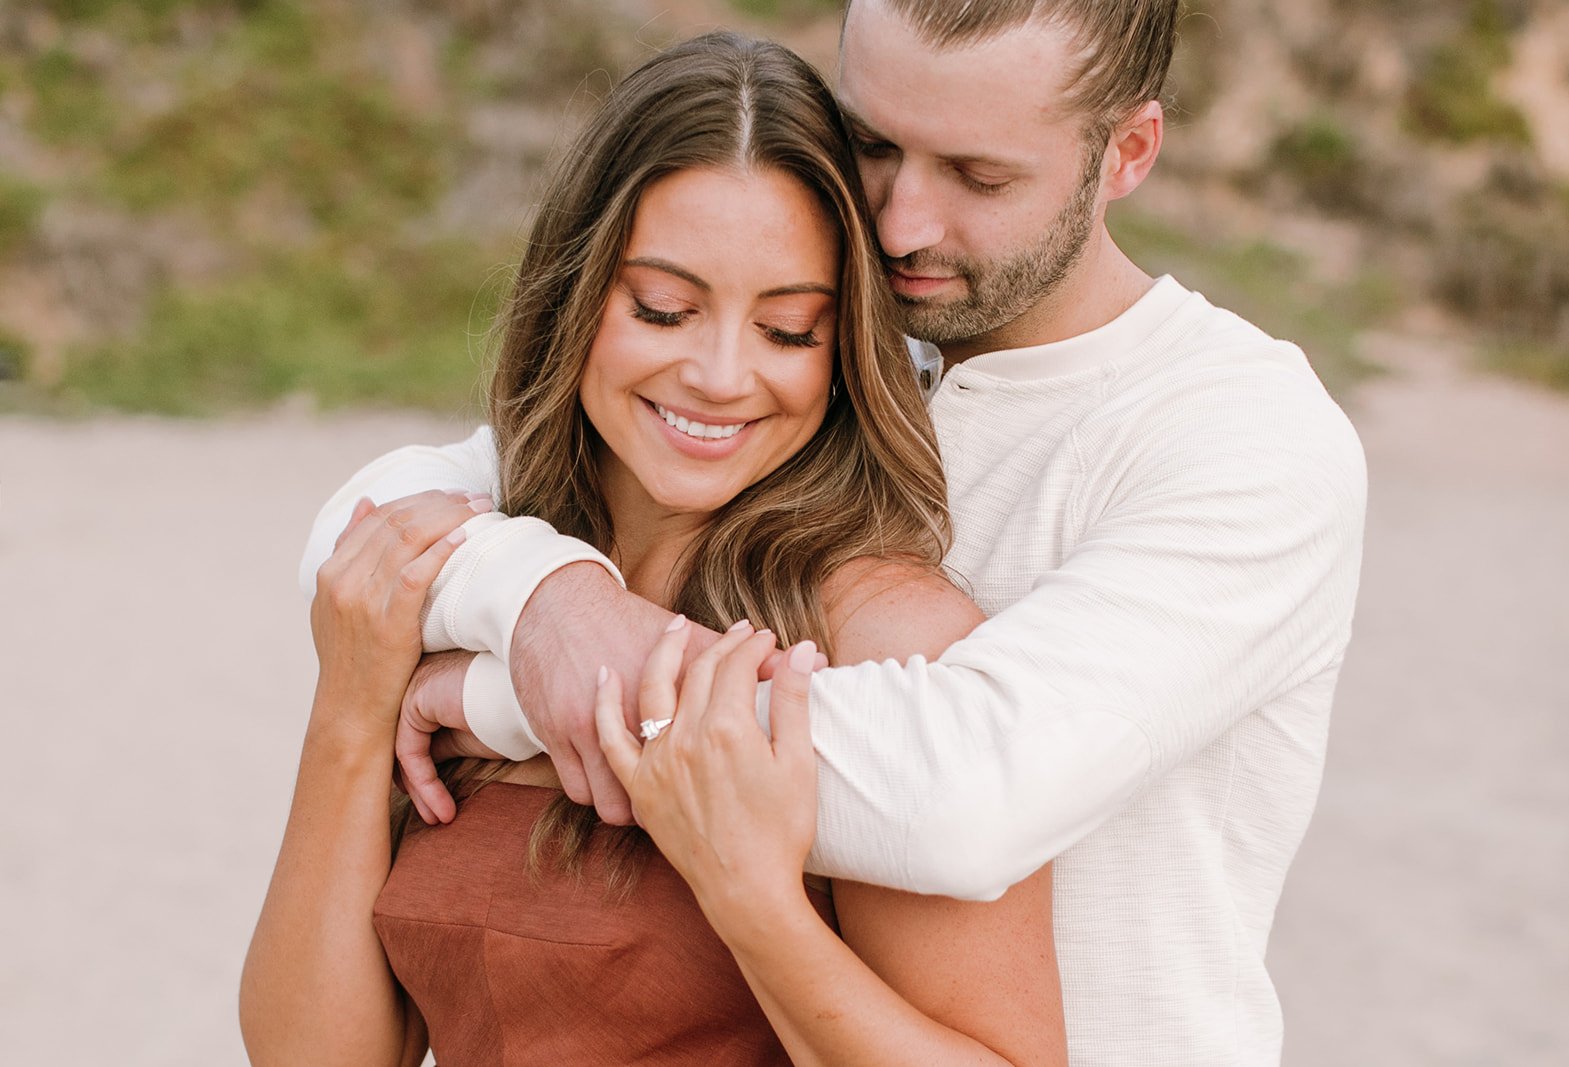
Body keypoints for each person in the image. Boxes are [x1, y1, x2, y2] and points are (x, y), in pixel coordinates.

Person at [301, 1, 1368, 1063]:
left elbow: (963, 795)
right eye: (871, 144)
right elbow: (371, 524)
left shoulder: (1240, 440)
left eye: (977, 177)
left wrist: (514, 694)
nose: (900, 223)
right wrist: (544, 599)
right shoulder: (834, 369)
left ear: (1127, 151)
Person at [242, 32, 1067, 1067]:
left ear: (845, 348)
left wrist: (749, 901)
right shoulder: (478, 587)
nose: (721, 374)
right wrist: (353, 713)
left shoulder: (887, 641)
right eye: (664, 309)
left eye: (787, 331)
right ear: (575, 295)